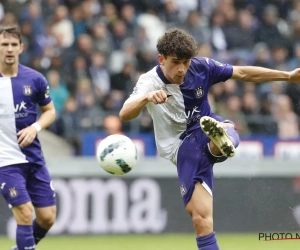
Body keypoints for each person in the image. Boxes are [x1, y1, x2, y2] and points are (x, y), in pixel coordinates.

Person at [119, 28, 300, 250]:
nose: (182, 69)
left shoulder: (202, 67)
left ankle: (221, 140)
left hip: (202, 127)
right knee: (200, 220)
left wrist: (287, 76)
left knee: (220, 130)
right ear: (161, 59)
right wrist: (146, 98)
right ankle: (219, 142)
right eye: (176, 62)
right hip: (180, 148)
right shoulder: (149, 81)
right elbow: (125, 113)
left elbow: (242, 73)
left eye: (186, 62)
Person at [0, 25, 56, 250]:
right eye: (4, 45)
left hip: (33, 158)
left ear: (21, 48)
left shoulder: (35, 79)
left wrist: (35, 127)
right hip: (5, 161)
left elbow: (50, 111)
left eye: (14, 45)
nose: (9, 49)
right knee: (24, 213)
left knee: (47, 218)